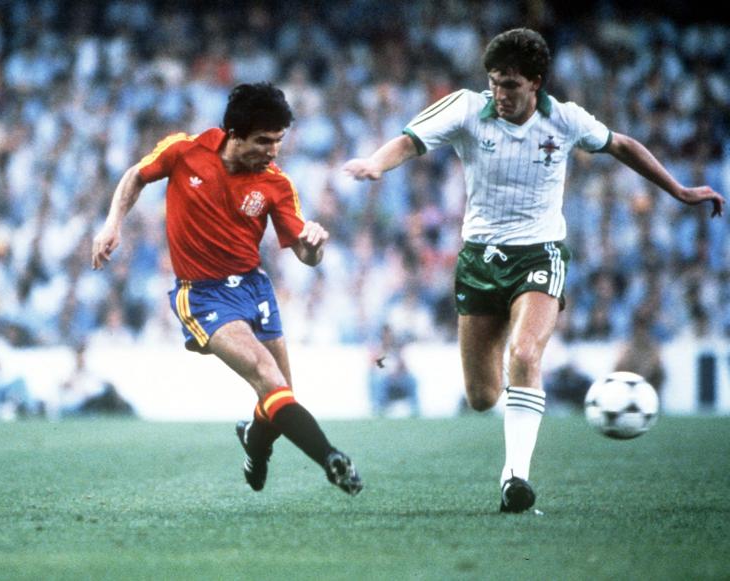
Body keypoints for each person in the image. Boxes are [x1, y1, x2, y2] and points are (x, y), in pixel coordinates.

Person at [343, 28, 724, 512]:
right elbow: (410, 140)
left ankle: (515, 478)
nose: (501, 94)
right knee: (482, 396)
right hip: (480, 258)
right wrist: (376, 164)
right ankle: (513, 399)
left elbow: (622, 144)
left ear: (536, 83)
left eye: (511, 85)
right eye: (496, 83)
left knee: (525, 353)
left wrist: (681, 190)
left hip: (539, 253)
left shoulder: (565, 120)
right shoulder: (464, 107)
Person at [92, 82, 362, 495]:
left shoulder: (276, 184)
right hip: (203, 294)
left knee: (278, 396)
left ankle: (255, 447)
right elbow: (135, 176)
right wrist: (113, 223)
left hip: (255, 289)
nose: (273, 151)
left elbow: (304, 255)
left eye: (279, 141)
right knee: (269, 381)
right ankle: (331, 458)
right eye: (264, 141)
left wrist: (314, 248)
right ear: (235, 134)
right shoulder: (185, 151)